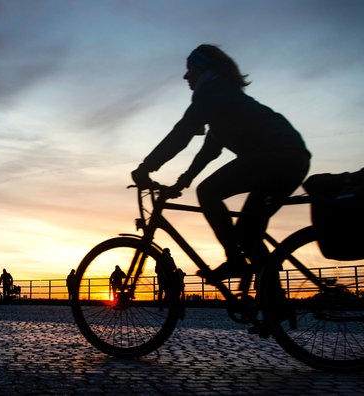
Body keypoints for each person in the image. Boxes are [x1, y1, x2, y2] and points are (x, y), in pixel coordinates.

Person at [132, 44, 311, 284]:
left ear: (205, 69)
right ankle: (272, 307)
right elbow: (208, 152)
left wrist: (146, 167)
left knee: (209, 191)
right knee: (248, 234)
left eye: (190, 68)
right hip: (286, 158)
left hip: (277, 157)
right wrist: (182, 182)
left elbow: (182, 133)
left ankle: (236, 261)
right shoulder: (224, 98)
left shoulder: (213, 92)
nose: (186, 76)